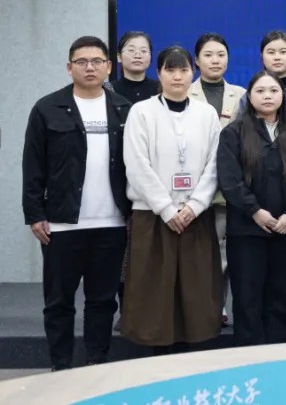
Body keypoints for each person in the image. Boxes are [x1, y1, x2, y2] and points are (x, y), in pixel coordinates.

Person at [22, 36, 131, 371]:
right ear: (69, 68)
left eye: (97, 61)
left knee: (103, 301)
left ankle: (97, 363)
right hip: (61, 223)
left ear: (108, 67)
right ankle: (61, 367)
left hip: (112, 223)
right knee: (59, 302)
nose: (89, 67)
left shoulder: (124, 108)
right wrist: (34, 214)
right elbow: (33, 165)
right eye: (81, 62)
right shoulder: (47, 108)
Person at [120, 46, 223, 354]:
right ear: (159, 73)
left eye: (183, 70)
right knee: (155, 289)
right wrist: (166, 209)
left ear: (193, 73)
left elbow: (215, 165)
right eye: (170, 70)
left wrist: (194, 205)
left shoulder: (206, 114)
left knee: (196, 288)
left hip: (195, 216)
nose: (177, 76)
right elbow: (136, 164)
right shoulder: (142, 112)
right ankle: (156, 355)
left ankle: (194, 354)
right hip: (153, 215)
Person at [217, 71, 286, 346]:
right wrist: (255, 211)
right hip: (246, 230)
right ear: (249, 96)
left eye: (273, 91)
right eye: (260, 91)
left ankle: (281, 356)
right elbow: (229, 180)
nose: (267, 96)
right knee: (248, 298)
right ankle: (250, 356)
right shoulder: (233, 133)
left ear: (283, 96)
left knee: (282, 297)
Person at [189, 32, 246, 328]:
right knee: (202, 253)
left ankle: (221, 306)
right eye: (208, 55)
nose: (215, 60)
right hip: (195, 188)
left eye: (221, 55)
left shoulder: (242, 94)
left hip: (231, 188)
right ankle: (204, 307)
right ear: (196, 61)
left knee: (227, 254)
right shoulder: (184, 92)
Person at [238, 30, 286, 131]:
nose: (277, 57)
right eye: (271, 52)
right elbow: (242, 131)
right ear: (262, 57)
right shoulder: (250, 95)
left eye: (283, 52)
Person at [112, 31, 157, 104]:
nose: (137, 55)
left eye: (143, 51)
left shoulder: (160, 89)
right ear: (119, 57)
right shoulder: (108, 90)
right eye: (131, 50)